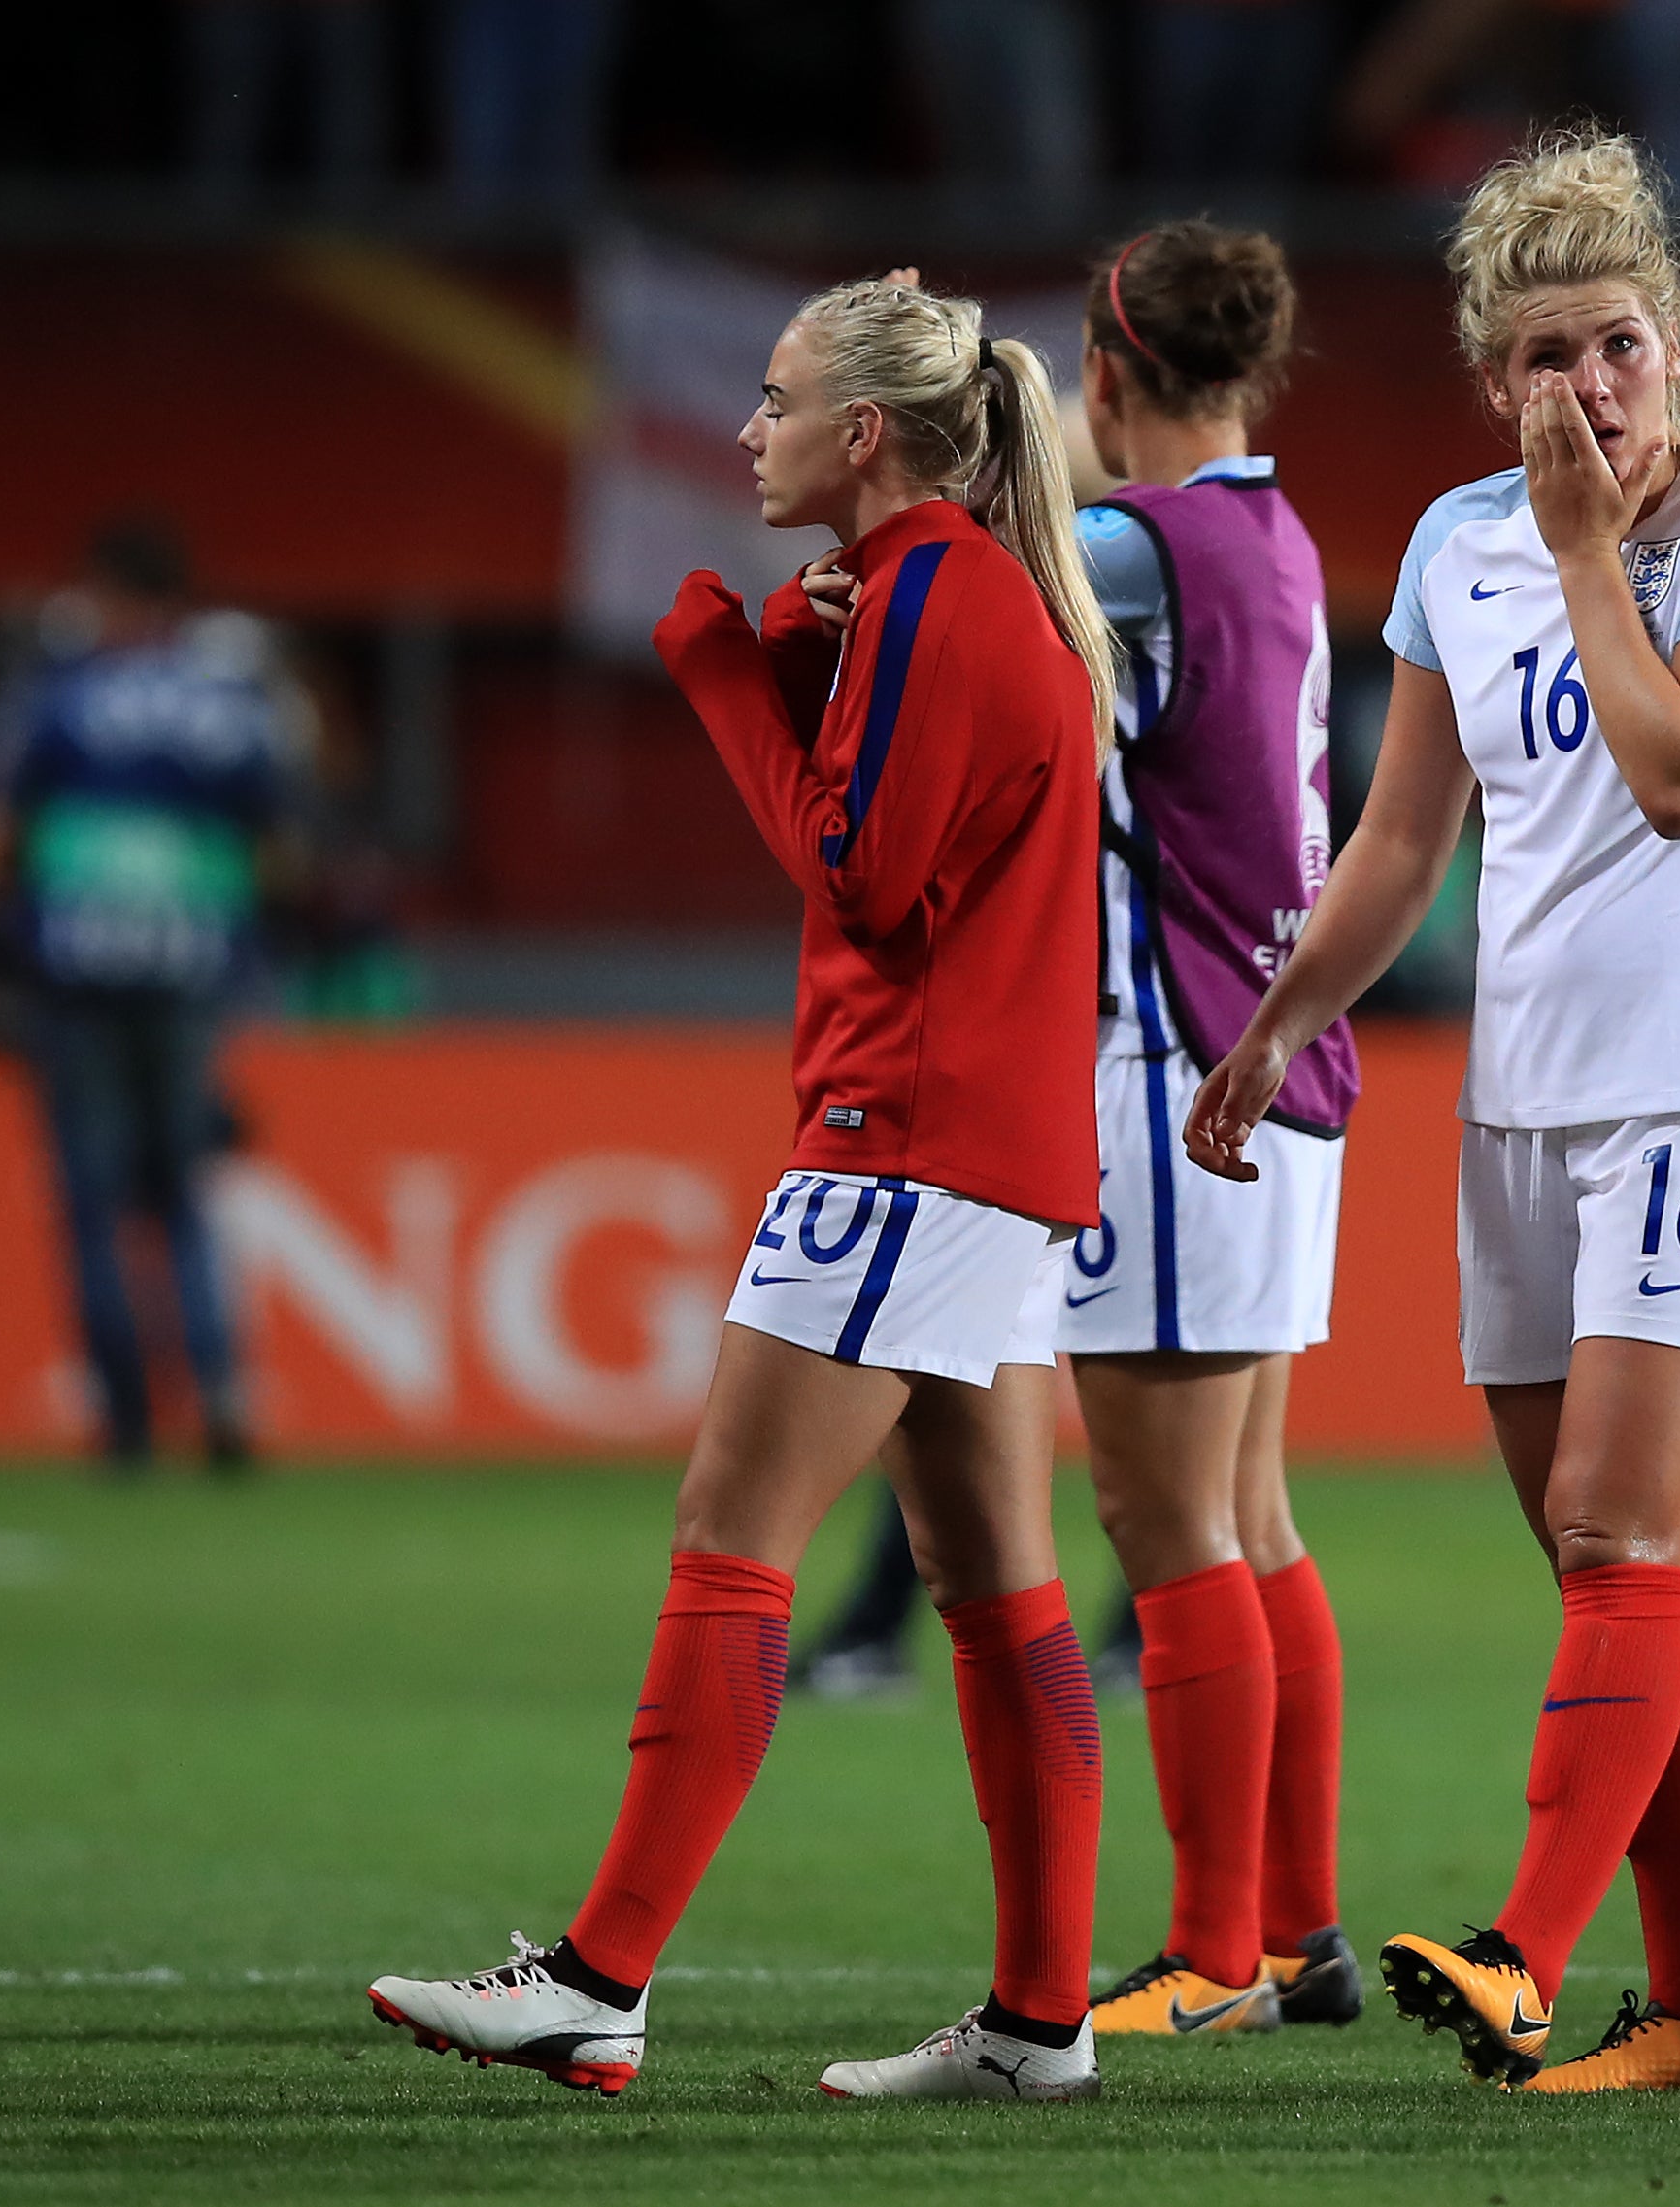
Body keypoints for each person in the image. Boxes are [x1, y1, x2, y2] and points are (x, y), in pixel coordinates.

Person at [365, 274, 1125, 2105]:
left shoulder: (946, 588)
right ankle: (1039, 2019)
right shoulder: (955, 592)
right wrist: (793, 649)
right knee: (994, 1580)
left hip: (905, 1137)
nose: (748, 428)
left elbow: (858, 878)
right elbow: (889, 828)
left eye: (776, 399)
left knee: (736, 1525)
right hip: (992, 1150)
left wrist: (723, 667)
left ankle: (598, 1976)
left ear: (866, 431)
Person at [1182, 125, 1680, 2095]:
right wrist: (1276, 1011)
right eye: (1545, 357)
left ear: (1679, 341)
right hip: (1522, 1104)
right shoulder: (1456, 541)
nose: (1588, 390)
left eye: (1620, 343)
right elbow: (1402, 836)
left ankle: (1528, 1951)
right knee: (1614, 1566)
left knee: (1617, 1528)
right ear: (1492, 377)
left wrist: (1580, 553)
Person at [996, 218, 1367, 2039]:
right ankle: (1292, 1930)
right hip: (1286, 1065)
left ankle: (1217, 1948)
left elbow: (985, 638)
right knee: (1253, 1515)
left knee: (1167, 1528)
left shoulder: (1133, 545)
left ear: (1107, 371)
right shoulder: (1273, 531)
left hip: (1171, 1073)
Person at [0, 521, 307, 1473]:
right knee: (185, 1192)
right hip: (190, 966)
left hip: (75, 970)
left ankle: (126, 1421)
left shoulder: (53, 693)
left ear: (107, 595)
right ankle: (223, 1387)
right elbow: (284, 840)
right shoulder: (233, 703)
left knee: (95, 1196)